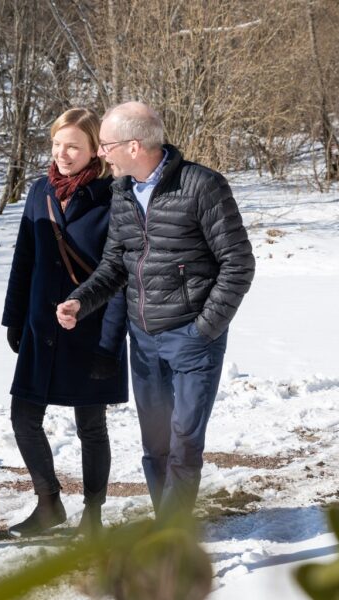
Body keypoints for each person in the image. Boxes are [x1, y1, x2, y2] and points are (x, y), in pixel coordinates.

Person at [56, 101, 254, 517]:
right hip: (143, 339)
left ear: (133, 146)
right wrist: (81, 300)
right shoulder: (122, 192)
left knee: (185, 441)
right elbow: (115, 264)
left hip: (192, 338)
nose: (101, 153)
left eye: (106, 145)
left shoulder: (201, 186)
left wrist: (204, 329)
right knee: (156, 444)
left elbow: (238, 263)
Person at [2, 108, 128, 537]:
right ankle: (48, 504)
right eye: (57, 145)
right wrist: (14, 318)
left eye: (73, 145)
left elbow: (121, 277)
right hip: (42, 326)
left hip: (90, 331)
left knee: (90, 426)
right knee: (23, 415)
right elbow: (24, 257)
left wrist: (109, 346)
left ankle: (93, 516)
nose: (62, 154)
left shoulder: (114, 197)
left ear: (95, 148)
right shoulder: (41, 191)